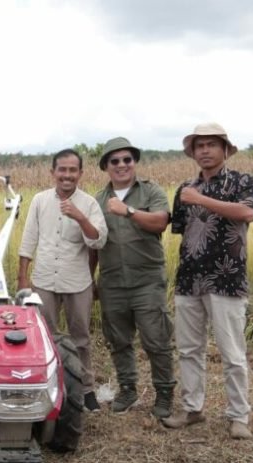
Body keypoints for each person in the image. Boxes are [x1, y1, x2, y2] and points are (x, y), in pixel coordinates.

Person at [162, 123, 253, 440]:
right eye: (199, 145)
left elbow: (246, 213)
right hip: (190, 279)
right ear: (193, 152)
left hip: (227, 279)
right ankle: (192, 409)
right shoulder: (184, 189)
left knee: (232, 353)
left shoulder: (243, 182)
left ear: (224, 149)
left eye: (210, 144)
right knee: (189, 350)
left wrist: (201, 200)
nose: (204, 150)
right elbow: (179, 229)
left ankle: (238, 416)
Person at [90, 137, 175, 418]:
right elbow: (92, 243)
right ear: (106, 167)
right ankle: (127, 389)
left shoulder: (150, 191)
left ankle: (164, 393)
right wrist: (91, 279)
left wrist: (127, 211)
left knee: (155, 339)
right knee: (119, 340)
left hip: (147, 280)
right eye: (115, 161)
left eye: (127, 159)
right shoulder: (98, 201)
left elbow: (160, 221)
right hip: (112, 282)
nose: (122, 165)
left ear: (134, 162)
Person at [17, 149, 107, 412]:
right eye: (62, 170)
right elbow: (28, 240)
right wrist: (23, 278)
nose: (67, 175)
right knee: (44, 335)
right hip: (43, 279)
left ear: (80, 173)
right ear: (53, 172)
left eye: (72, 170)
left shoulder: (89, 203)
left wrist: (79, 216)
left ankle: (86, 388)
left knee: (80, 337)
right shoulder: (40, 200)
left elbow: (98, 240)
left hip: (77, 281)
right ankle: (49, 384)